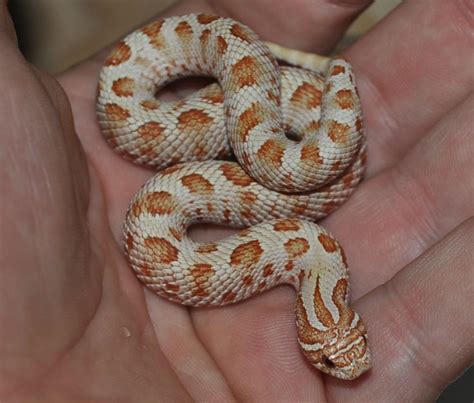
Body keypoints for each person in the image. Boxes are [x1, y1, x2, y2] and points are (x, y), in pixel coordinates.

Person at [1, 0, 472, 400]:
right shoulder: (319, 250)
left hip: (285, 135)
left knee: (318, 157)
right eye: (335, 354)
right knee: (268, 129)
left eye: (337, 353)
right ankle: (302, 87)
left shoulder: (320, 251)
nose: (351, 366)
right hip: (183, 98)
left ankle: (307, 92)